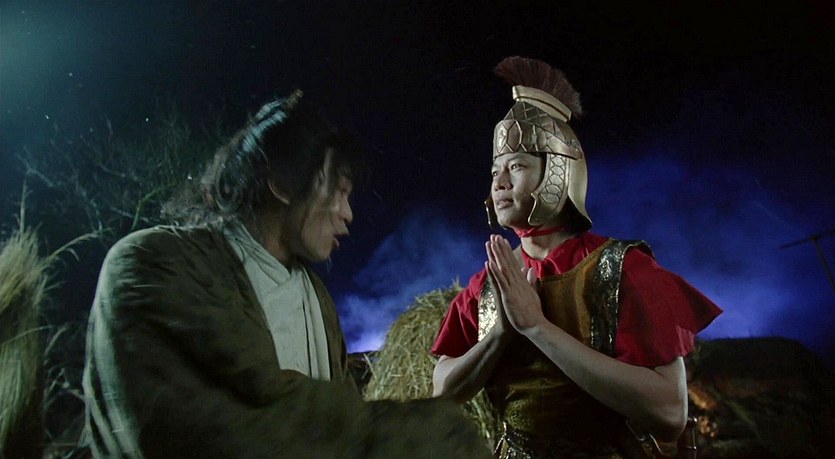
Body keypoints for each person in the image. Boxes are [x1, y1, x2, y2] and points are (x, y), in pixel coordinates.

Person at [83, 91, 491, 458]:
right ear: (281, 181)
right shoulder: (153, 264)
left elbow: (335, 414)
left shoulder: (316, 299)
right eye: (339, 190)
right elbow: (244, 427)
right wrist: (432, 436)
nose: (348, 214)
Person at [431, 57, 722, 458]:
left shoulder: (623, 270)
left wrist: (536, 327)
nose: (499, 182)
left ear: (558, 173)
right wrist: (499, 335)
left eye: (516, 166)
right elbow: (442, 393)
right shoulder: (490, 283)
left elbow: (670, 414)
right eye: (495, 171)